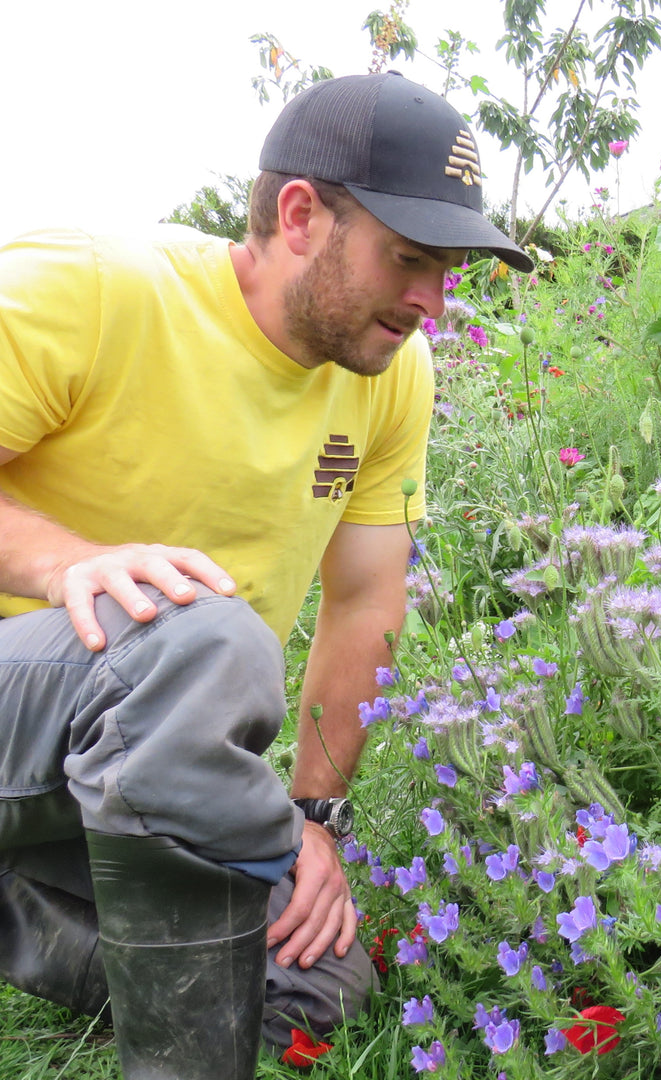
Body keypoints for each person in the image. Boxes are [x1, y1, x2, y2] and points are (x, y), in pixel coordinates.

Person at [0, 72, 533, 1080]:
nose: (433, 300)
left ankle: (33, 902)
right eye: (408, 258)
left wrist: (313, 821)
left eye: (449, 267)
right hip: (35, 704)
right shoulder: (94, 289)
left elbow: (370, 597)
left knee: (316, 981)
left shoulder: (391, 375)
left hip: (126, 754)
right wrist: (70, 562)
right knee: (202, 638)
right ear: (300, 215)